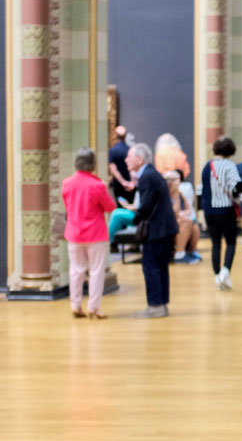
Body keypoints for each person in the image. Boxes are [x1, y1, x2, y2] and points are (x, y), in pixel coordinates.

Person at [62, 147, 115, 319]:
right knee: (96, 271)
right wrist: (106, 189)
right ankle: (93, 307)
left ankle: (75, 305)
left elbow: (68, 207)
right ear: (92, 163)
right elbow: (110, 207)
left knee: (76, 270)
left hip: (74, 233)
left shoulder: (67, 183)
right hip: (95, 233)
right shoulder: (97, 185)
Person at [127, 141, 178, 317]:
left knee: (151, 266)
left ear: (140, 159)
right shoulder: (151, 174)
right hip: (164, 228)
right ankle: (161, 304)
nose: (126, 160)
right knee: (160, 266)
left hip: (157, 229)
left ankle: (155, 306)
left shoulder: (147, 176)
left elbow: (146, 205)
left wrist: (133, 219)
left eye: (129, 157)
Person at [201, 135, 242, 288]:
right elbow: (236, 185)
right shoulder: (229, 165)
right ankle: (226, 270)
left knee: (215, 243)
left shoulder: (207, 166)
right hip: (225, 209)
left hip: (209, 210)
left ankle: (217, 275)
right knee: (231, 241)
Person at [165, 171, 201, 262]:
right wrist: (180, 215)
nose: (179, 182)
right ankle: (179, 254)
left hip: (177, 220)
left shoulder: (179, 193)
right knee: (186, 221)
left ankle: (192, 251)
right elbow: (173, 212)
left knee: (194, 224)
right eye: (177, 180)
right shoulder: (165, 193)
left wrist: (183, 214)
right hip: (165, 223)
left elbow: (188, 209)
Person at [107, 125, 135, 205]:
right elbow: (133, 169)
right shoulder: (129, 149)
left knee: (120, 207)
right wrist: (131, 183)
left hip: (119, 185)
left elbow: (114, 169)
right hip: (130, 185)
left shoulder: (113, 150)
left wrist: (123, 182)